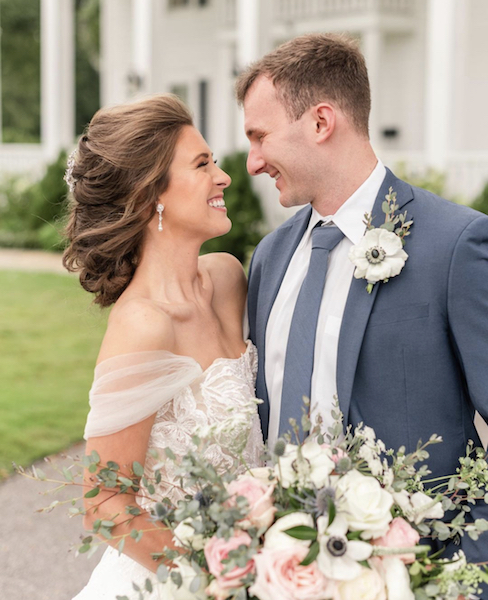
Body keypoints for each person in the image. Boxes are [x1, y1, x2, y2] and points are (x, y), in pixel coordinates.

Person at [236, 33, 488, 579]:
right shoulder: (269, 258)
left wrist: (469, 564)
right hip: (286, 574)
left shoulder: (455, 244)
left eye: (260, 137)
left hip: (422, 572)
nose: (253, 162)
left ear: (321, 122)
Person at [62, 94, 264, 599]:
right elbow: (104, 500)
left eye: (214, 161)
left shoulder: (227, 278)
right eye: (202, 165)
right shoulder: (143, 326)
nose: (224, 177)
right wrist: (212, 576)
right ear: (151, 192)